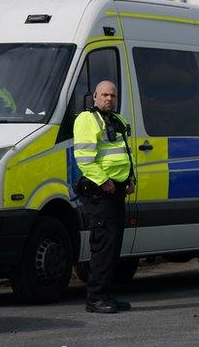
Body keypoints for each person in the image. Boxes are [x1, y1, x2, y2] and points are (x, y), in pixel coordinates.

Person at [74, 80, 135, 314]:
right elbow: (84, 158)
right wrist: (103, 181)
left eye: (113, 95)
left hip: (116, 191)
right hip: (100, 192)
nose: (109, 99)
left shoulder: (117, 120)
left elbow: (125, 154)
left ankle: (107, 294)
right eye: (105, 95)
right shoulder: (87, 120)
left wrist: (130, 179)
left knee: (113, 246)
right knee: (103, 246)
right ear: (95, 96)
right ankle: (96, 297)